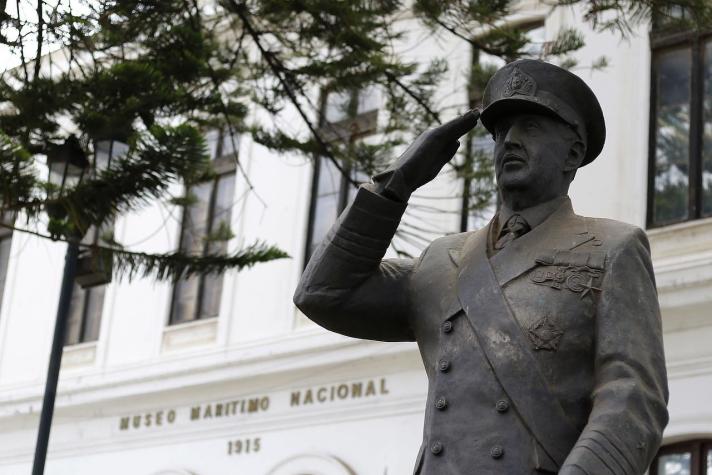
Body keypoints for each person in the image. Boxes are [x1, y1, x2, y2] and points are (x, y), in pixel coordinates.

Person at [294, 59, 668, 475]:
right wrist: (396, 183)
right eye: (502, 131)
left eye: (530, 126)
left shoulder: (611, 248)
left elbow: (632, 399)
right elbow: (323, 294)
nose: (509, 140)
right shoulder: (440, 260)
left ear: (573, 153)